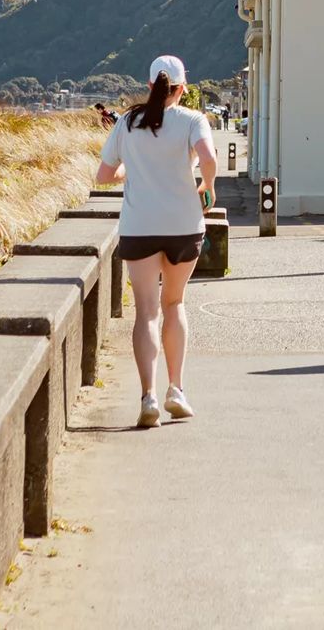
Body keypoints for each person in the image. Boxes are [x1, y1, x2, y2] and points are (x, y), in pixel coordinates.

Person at [95, 54, 217, 428]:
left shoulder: (127, 123)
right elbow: (208, 158)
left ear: (149, 85)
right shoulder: (193, 120)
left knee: (146, 311)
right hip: (183, 224)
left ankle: (148, 397)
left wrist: (131, 174)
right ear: (184, 88)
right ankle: (175, 390)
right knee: (174, 303)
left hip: (140, 226)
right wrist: (207, 187)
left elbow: (103, 175)